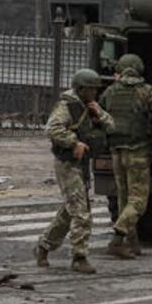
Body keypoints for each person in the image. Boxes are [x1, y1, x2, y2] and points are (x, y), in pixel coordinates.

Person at [35, 69, 114, 274]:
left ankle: (44, 246)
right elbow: (52, 129)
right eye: (91, 89)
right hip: (67, 164)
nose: (94, 93)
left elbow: (112, 126)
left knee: (69, 212)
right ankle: (79, 257)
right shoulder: (67, 106)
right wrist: (74, 142)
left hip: (82, 165)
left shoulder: (89, 107)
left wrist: (100, 113)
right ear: (81, 89)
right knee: (81, 212)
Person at [98, 54, 152, 259]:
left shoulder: (110, 92)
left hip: (116, 151)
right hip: (137, 151)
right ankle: (117, 239)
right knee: (139, 201)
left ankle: (133, 244)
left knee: (124, 199)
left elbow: (98, 115)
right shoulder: (146, 91)